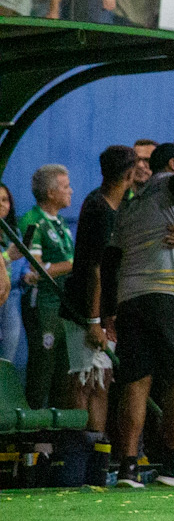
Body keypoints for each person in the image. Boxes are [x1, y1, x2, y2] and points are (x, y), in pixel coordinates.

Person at [106, 141, 174, 489]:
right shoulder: (173, 183)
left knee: (136, 383)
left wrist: (108, 311)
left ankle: (127, 467)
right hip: (168, 295)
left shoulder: (131, 206)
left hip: (130, 301)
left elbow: (111, 259)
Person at [64, 144, 143, 483]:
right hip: (82, 310)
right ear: (127, 174)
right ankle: (78, 463)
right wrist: (95, 320)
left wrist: (109, 315)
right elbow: (94, 269)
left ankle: (97, 462)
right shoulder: (98, 207)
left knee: (102, 382)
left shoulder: (120, 207)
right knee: (84, 381)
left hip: (102, 311)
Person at [16, 164, 73, 411]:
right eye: (66, 186)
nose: (71, 191)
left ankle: (55, 442)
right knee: (42, 370)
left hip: (62, 307)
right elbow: (34, 270)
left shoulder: (60, 222)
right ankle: (30, 442)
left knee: (63, 373)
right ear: (51, 193)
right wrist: (73, 264)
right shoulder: (32, 221)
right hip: (42, 305)